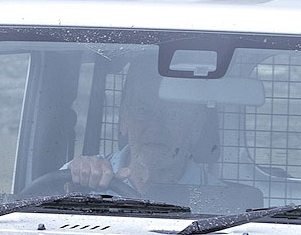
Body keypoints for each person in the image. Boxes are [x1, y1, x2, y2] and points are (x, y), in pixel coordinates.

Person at [67, 65, 218, 195]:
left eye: (173, 114)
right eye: (143, 110)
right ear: (124, 119)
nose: (155, 128)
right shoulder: (81, 176)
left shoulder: (220, 199)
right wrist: (73, 181)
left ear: (195, 126)